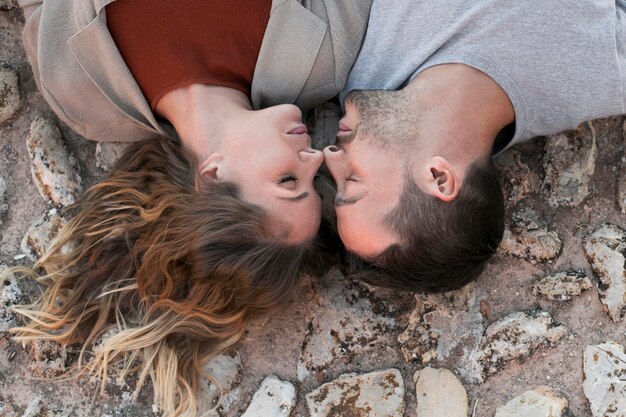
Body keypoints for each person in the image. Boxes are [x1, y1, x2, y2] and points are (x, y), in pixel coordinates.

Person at [9, 1, 371, 416]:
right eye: (314, 184)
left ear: (213, 176)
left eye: (290, 182)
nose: (315, 158)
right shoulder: (324, 55)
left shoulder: (77, 90)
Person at [322, 0, 626, 292]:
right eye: (351, 180)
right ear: (439, 176)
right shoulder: (604, 70)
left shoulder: (350, 73)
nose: (331, 156)